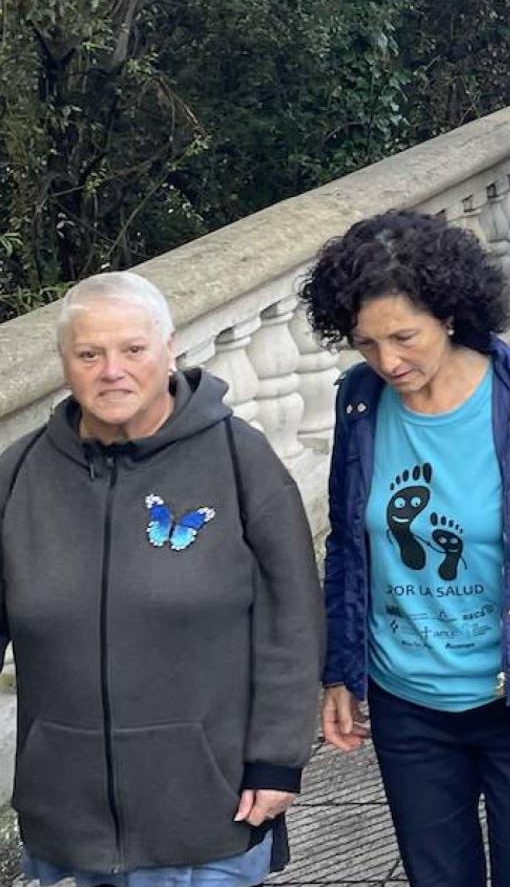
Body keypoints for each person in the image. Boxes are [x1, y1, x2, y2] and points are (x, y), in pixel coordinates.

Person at [306, 210, 510, 887]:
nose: (387, 361)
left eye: (404, 337)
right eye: (366, 343)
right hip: (408, 706)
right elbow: (347, 548)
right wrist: (339, 670)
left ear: (450, 314)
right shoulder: (360, 406)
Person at [0, 273, 323, 887]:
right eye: (89, 354)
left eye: (132, 349)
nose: (111, 371)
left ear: (169, 349)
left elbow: (292, 624)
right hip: (67, 822)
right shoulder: (19, 475)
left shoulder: (238, 459)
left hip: (207, 814)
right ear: (65, 363)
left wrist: (278, 763)